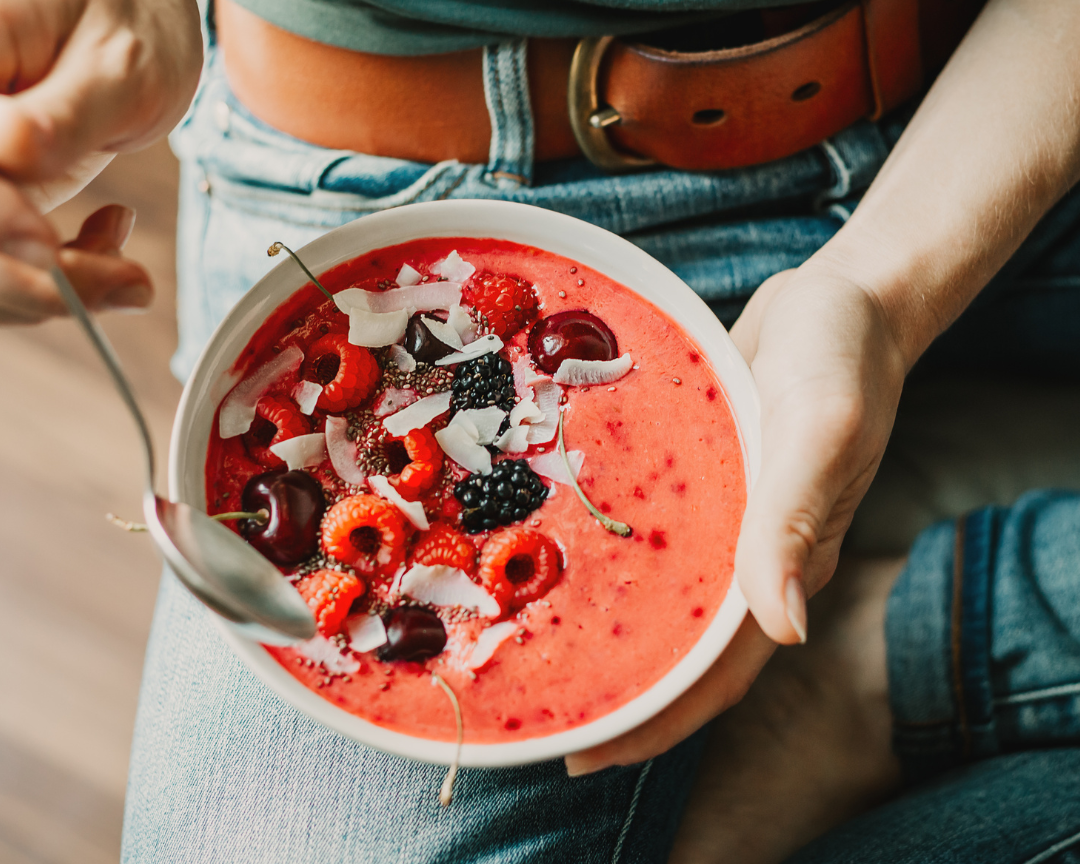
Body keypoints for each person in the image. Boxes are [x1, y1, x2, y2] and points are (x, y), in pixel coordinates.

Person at [1, 0, 1078, 860]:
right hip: (395, 183)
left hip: (994, 102)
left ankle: (930, 643)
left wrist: (883, 295)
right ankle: (918, 653)